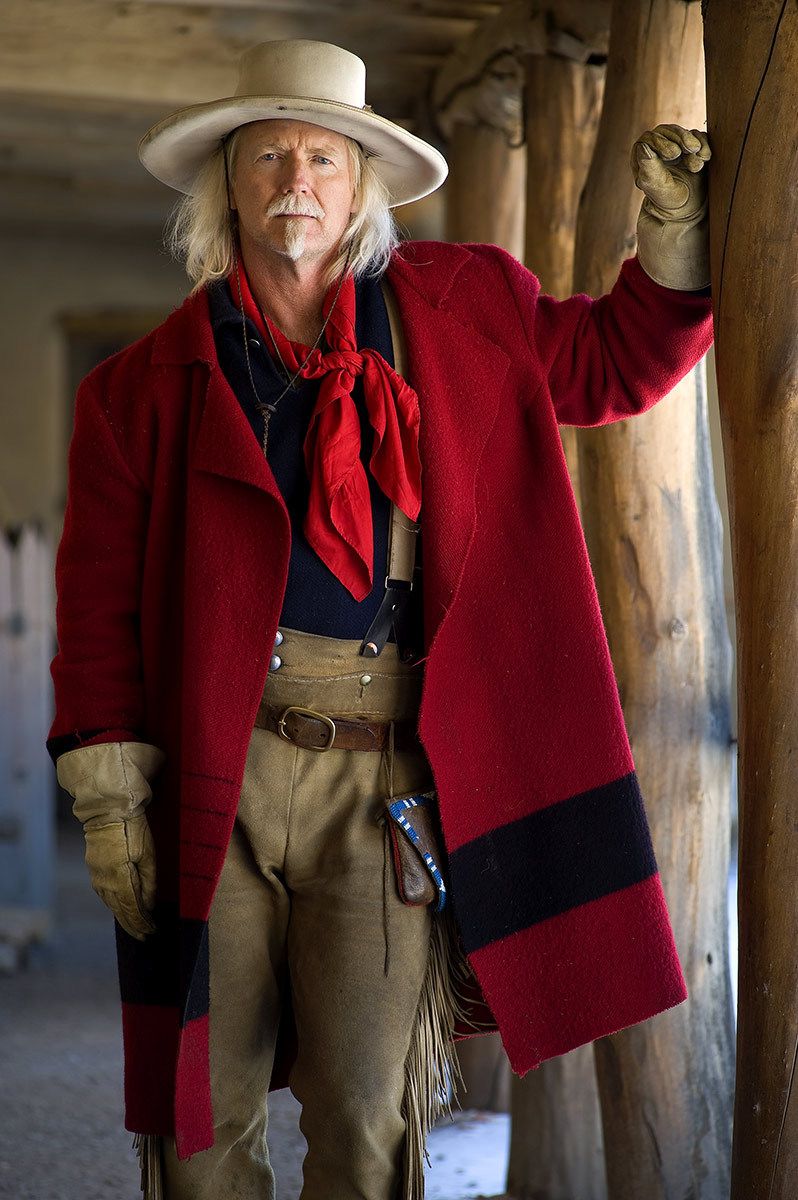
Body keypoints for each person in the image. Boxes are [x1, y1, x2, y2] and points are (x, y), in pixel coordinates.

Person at [47, 37, 714, 1200]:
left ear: (360, 185)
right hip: (217, 771)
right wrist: (108, 799)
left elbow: (611, 362)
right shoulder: (138, 388)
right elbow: (96, 604)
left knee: (367, 1117)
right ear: (227, 186)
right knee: (204, 1123)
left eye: (322, 158)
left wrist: (675, 241)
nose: (294, 181)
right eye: (267, 157)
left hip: (387, 779)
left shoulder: (465, 308)